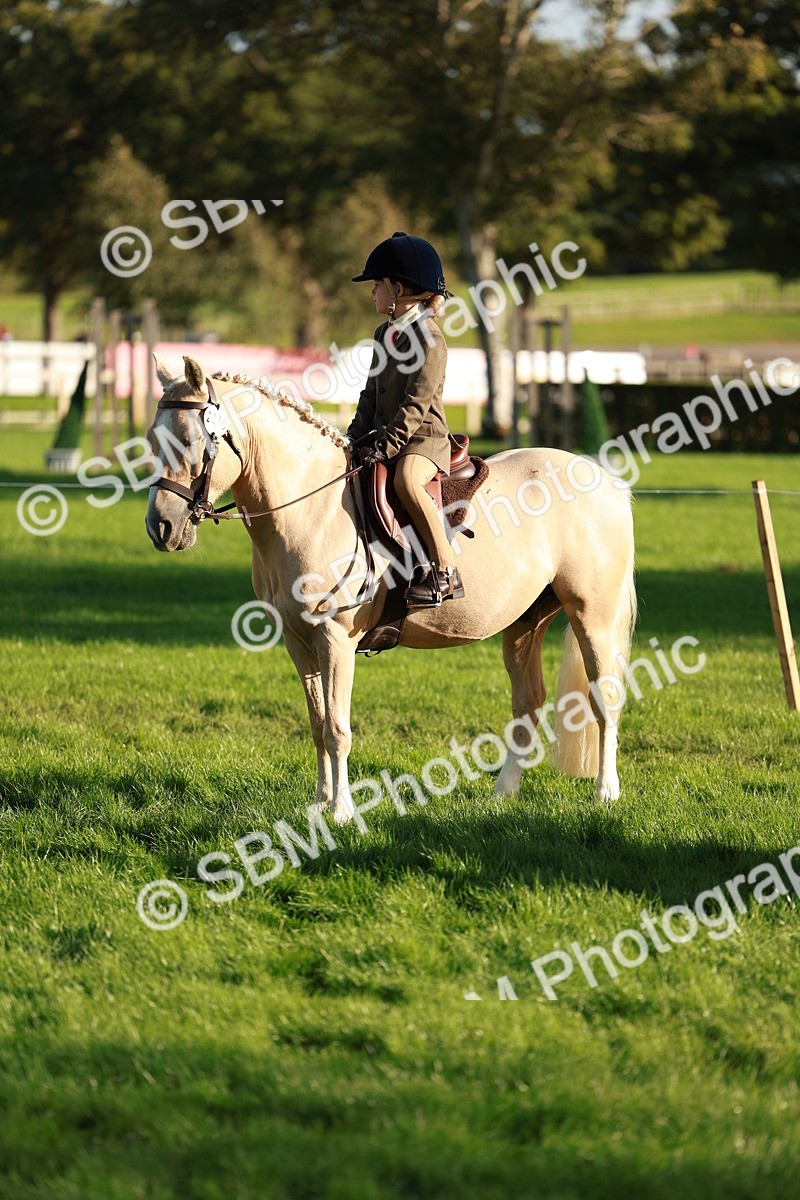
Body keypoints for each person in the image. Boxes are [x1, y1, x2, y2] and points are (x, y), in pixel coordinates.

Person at [349, 231, 464, 607]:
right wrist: (352, 438)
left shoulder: (431, 339)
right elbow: (370, 393)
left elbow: (416, 405)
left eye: (378, 285)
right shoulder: (384, 334)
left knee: (406, 482)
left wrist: (385, 445)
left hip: (424, 440)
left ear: (398, 289)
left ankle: (445, 571)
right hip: (387, 437)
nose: (373, 293)